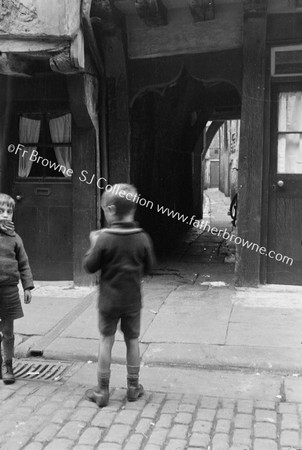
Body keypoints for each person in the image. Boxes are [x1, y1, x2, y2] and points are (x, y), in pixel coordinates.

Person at [83, 184, 155, 407]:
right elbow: (150, 267)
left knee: (106, 340)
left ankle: (102, 390)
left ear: (112, 210)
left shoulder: (104, 238)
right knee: (132, 341)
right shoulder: (142, 237)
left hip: (108, 301)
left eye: (105, 210)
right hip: (132, 300)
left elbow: (89, 266)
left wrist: (93, 244)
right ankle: (133, 388)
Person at [0, 193, 34, 384]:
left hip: (9, 290)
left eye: (9, 212)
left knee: (8, 330)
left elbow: (24, 263)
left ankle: (8, 365)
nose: (5, 215)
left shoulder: (15, 239)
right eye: (1, 211)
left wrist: (27, 287)